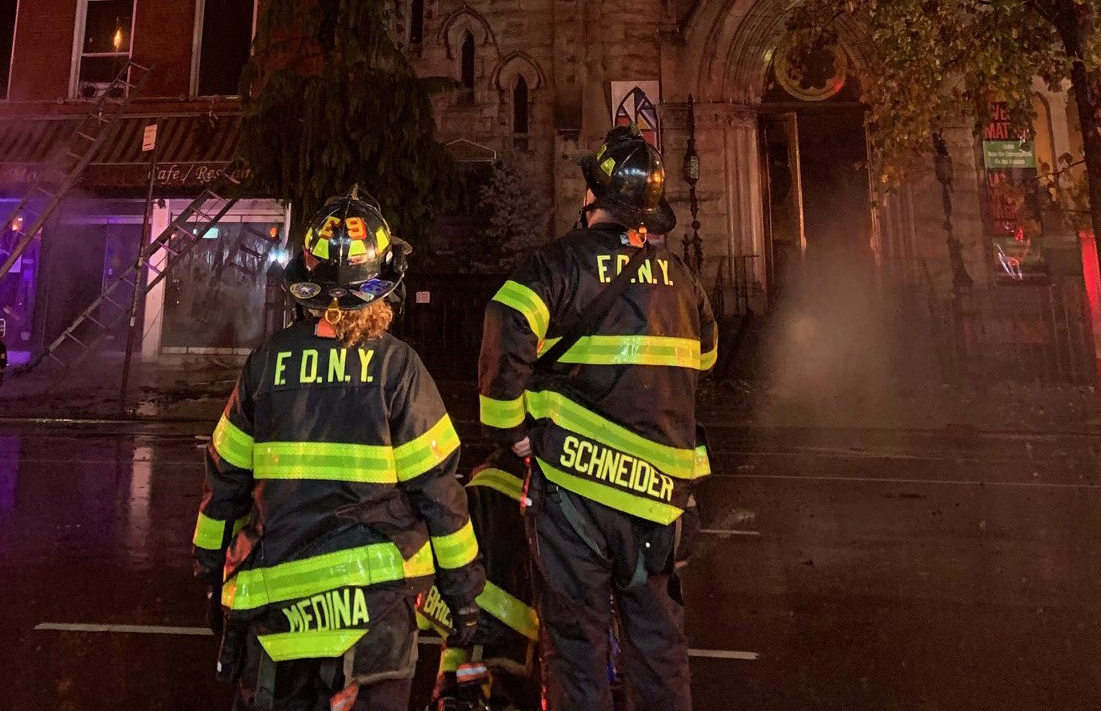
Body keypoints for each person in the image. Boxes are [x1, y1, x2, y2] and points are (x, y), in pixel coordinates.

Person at [194, 188, 485, 711]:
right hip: (372, 624)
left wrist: (209, 571)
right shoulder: (398, 369)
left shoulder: (266, 364)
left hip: (274, 620)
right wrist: (463, 597)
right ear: (382, 282)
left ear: (306, 277)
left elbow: (224, 485)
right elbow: (440, 495)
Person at [478, 128, 716, 711]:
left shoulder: (558, 265)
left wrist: (511, 434)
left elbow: (505, 328)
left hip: (573, 490)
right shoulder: (683, 281)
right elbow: (705, 356)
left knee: (575, 645)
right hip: (659, 497)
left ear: (592, 195)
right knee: (659, 646)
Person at [420, 444, 539, 708]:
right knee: (509, 684)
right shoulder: (534, 498)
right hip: (511, 621)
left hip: (458, 607)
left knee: (460, 660)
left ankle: (450, 691)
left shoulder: (467, 495)